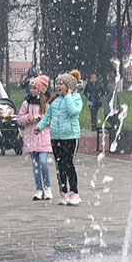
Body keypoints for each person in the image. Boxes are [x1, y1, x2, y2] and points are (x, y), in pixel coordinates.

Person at [46, 73, 85, 204]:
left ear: (69, 86)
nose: (58, 86)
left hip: (70, 137)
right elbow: (48, 116)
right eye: (57, 83)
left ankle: (74, 192)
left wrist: (68, 96)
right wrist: (40, 127)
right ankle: (63, 192)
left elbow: (73, 112)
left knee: (69, 164)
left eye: (61, 84)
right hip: (56, 137)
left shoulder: (76, 98)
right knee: (59, 165)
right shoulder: (55, 100)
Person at [17, 75, 54, 200]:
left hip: (44, 137)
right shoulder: (26, 103)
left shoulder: (48, 104)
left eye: (35, 88)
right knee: (35, 165)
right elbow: (19, 119)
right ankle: (39, 188)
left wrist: (43, 119)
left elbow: (53, 119)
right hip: (31, 137)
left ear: (41, 90)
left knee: (43, 161)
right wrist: (28, 118)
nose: (32, 91)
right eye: (31, 88)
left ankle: (47, 187)